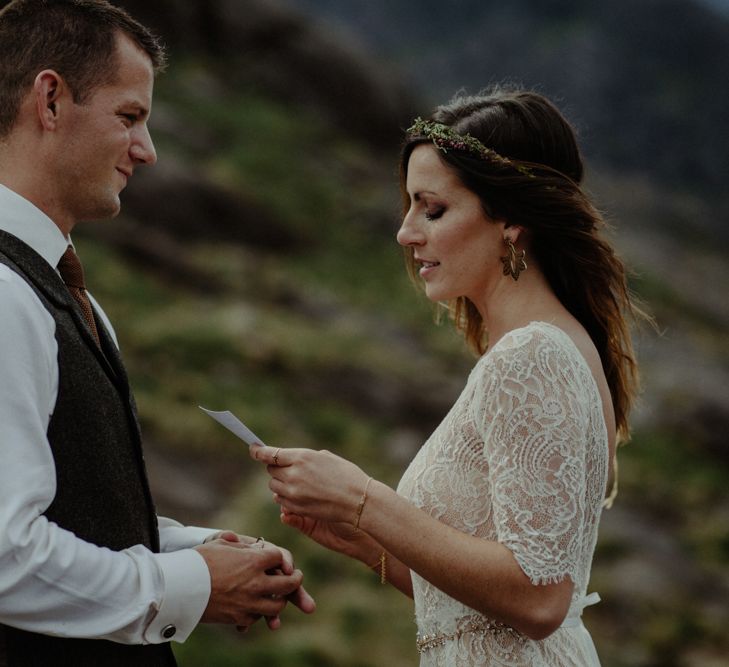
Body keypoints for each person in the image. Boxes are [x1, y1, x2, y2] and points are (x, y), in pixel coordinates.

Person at [253, 87, 647, 665]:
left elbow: (540, 600)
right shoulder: (547, 345)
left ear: (510, 220)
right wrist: (369, 544)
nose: (406, 232)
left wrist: (364, 499)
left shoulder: (532, 355)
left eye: (432, 209)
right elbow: (492, 607)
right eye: (409, 206)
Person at [0, 1, 314, 665]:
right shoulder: (3, 294)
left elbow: (71, 511)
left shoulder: (59, 292)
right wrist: (193, 584)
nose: (147, 150)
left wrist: (200, 551)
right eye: (129, 117)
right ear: (50, 101)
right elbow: (6, 556)